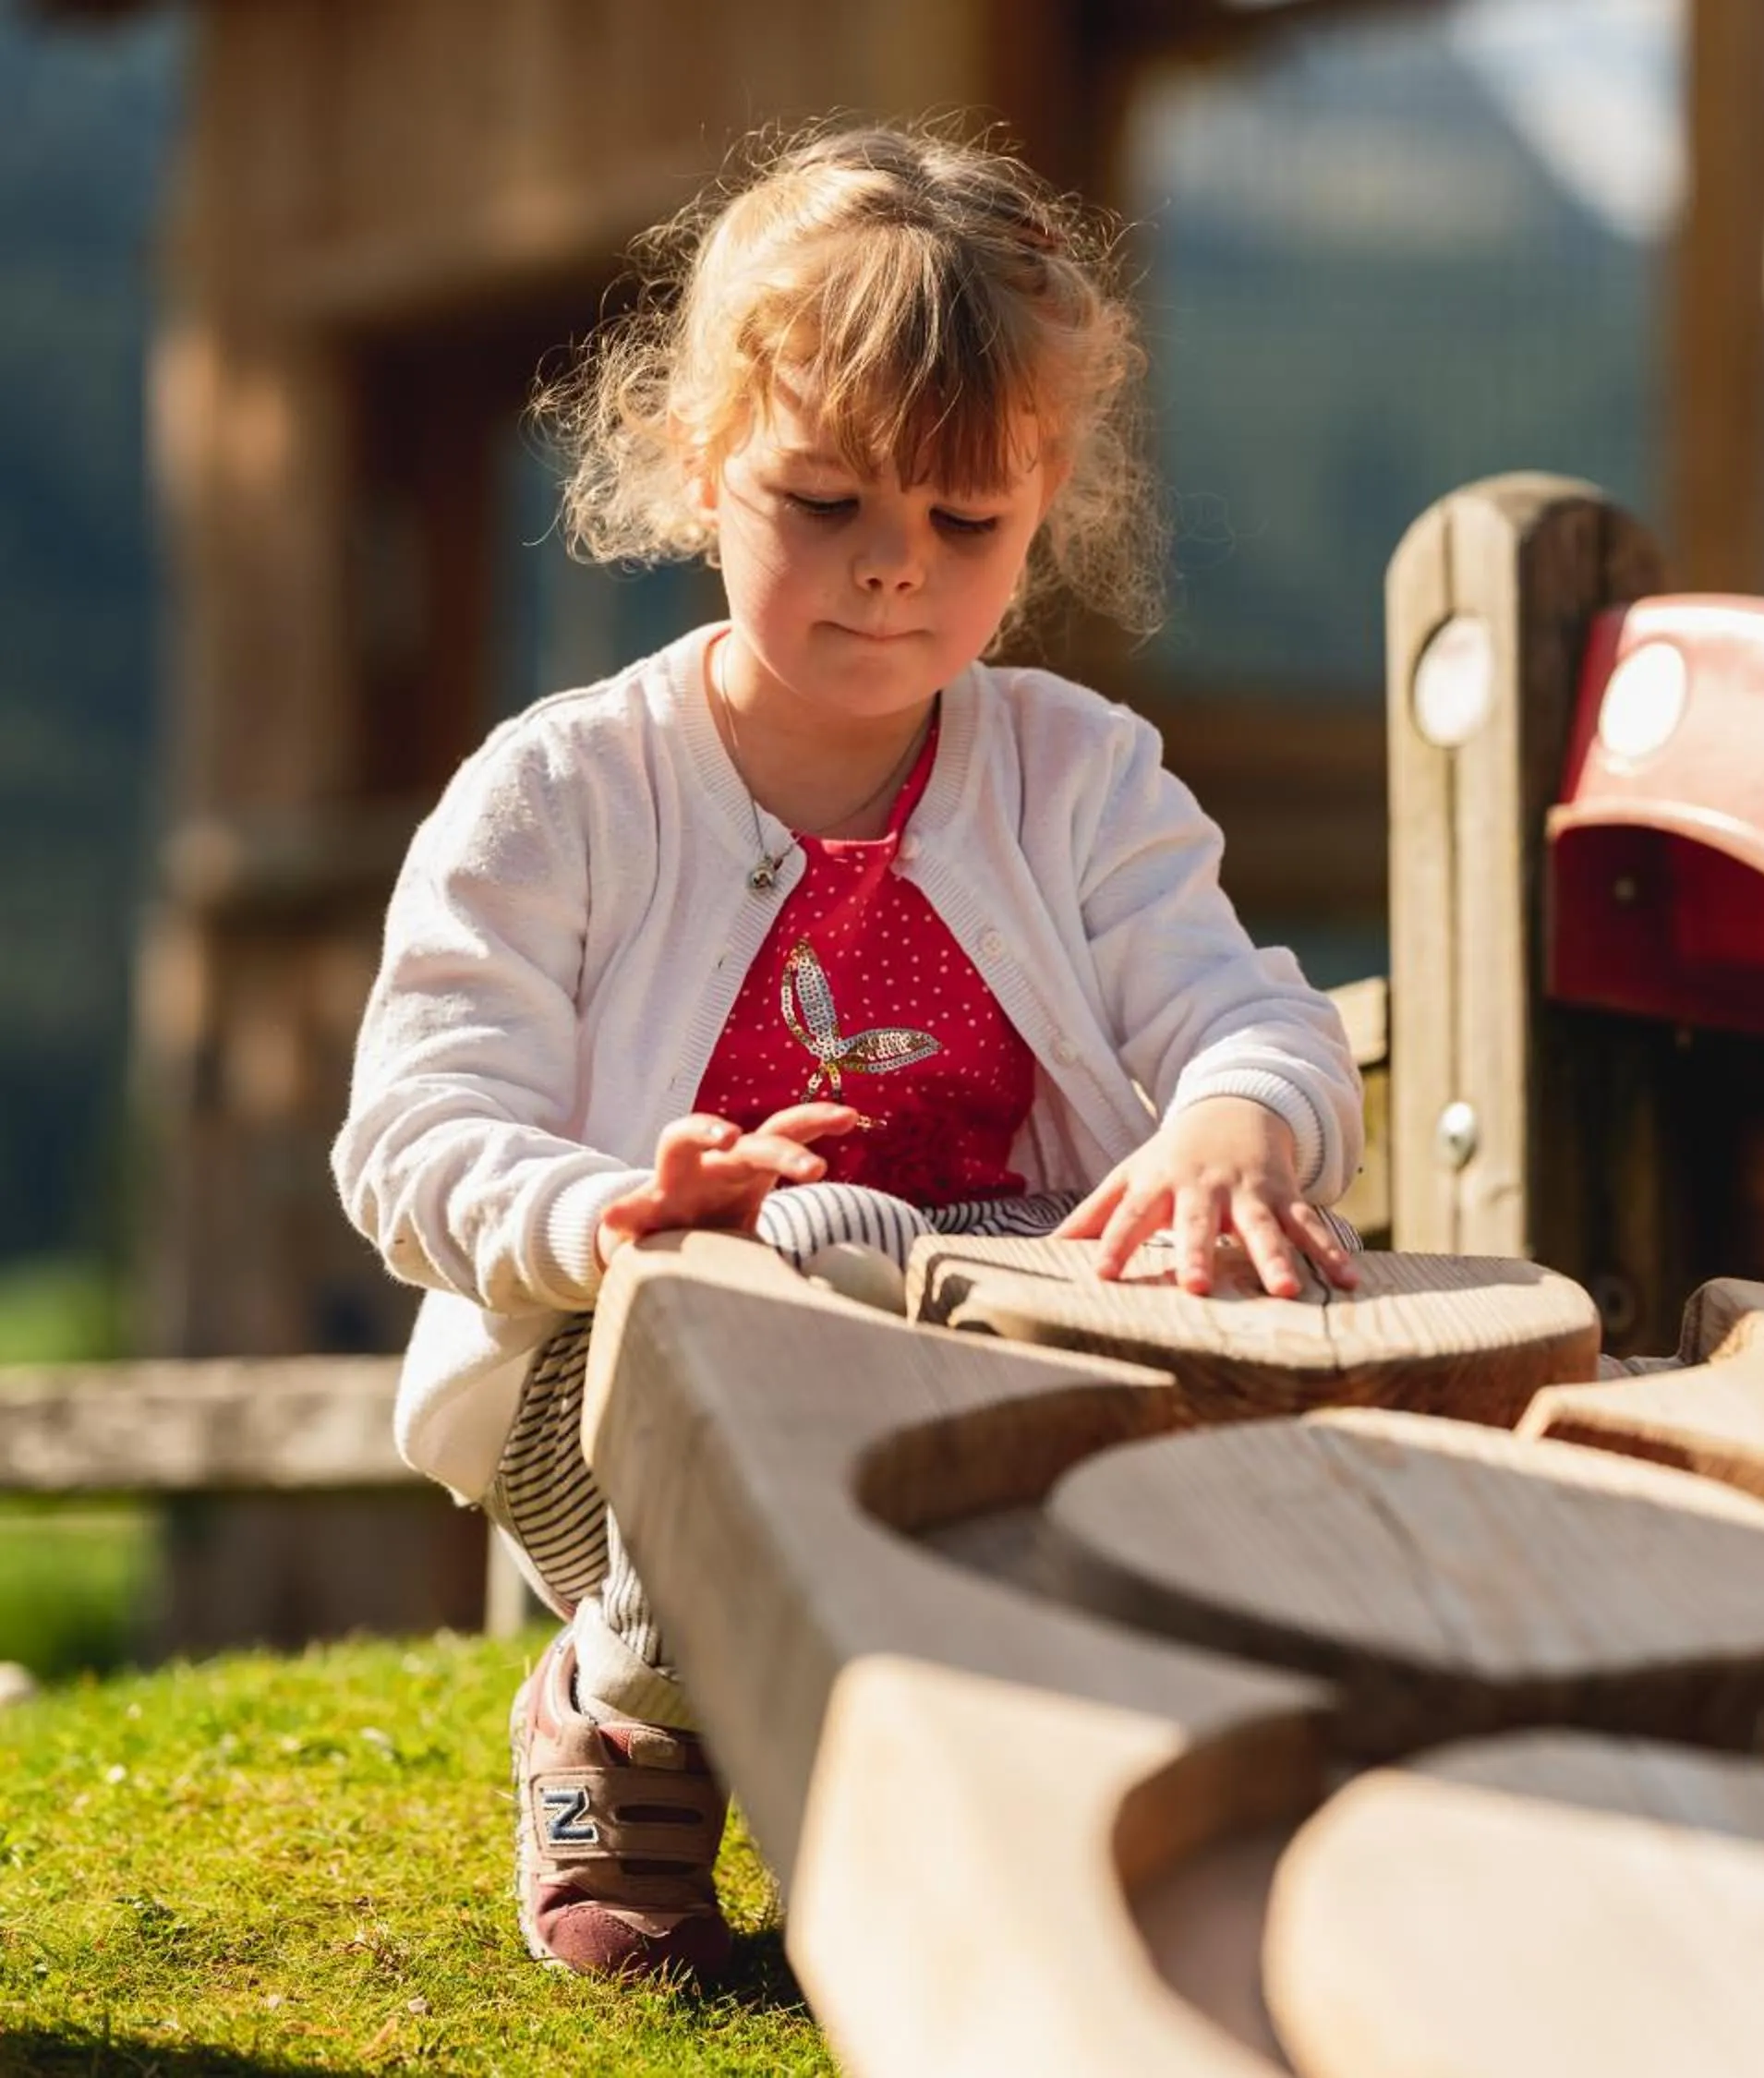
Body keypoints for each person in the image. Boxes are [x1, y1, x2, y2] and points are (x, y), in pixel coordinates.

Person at [329, 118, 1363, 1982]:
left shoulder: (1078, 776)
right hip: (630, 1398)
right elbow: (413, 1124)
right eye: (828, 504)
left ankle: (1046, 1783)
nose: (898, 571)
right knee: (802, 1252)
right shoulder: (564, 794)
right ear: (701, 459)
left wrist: (1233, 1116)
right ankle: (629, 1706)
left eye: (966, 523)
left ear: (1042, 504)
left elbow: (1246, 1010)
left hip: (991, 1367)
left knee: (1183, 1326)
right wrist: (608, 1203)